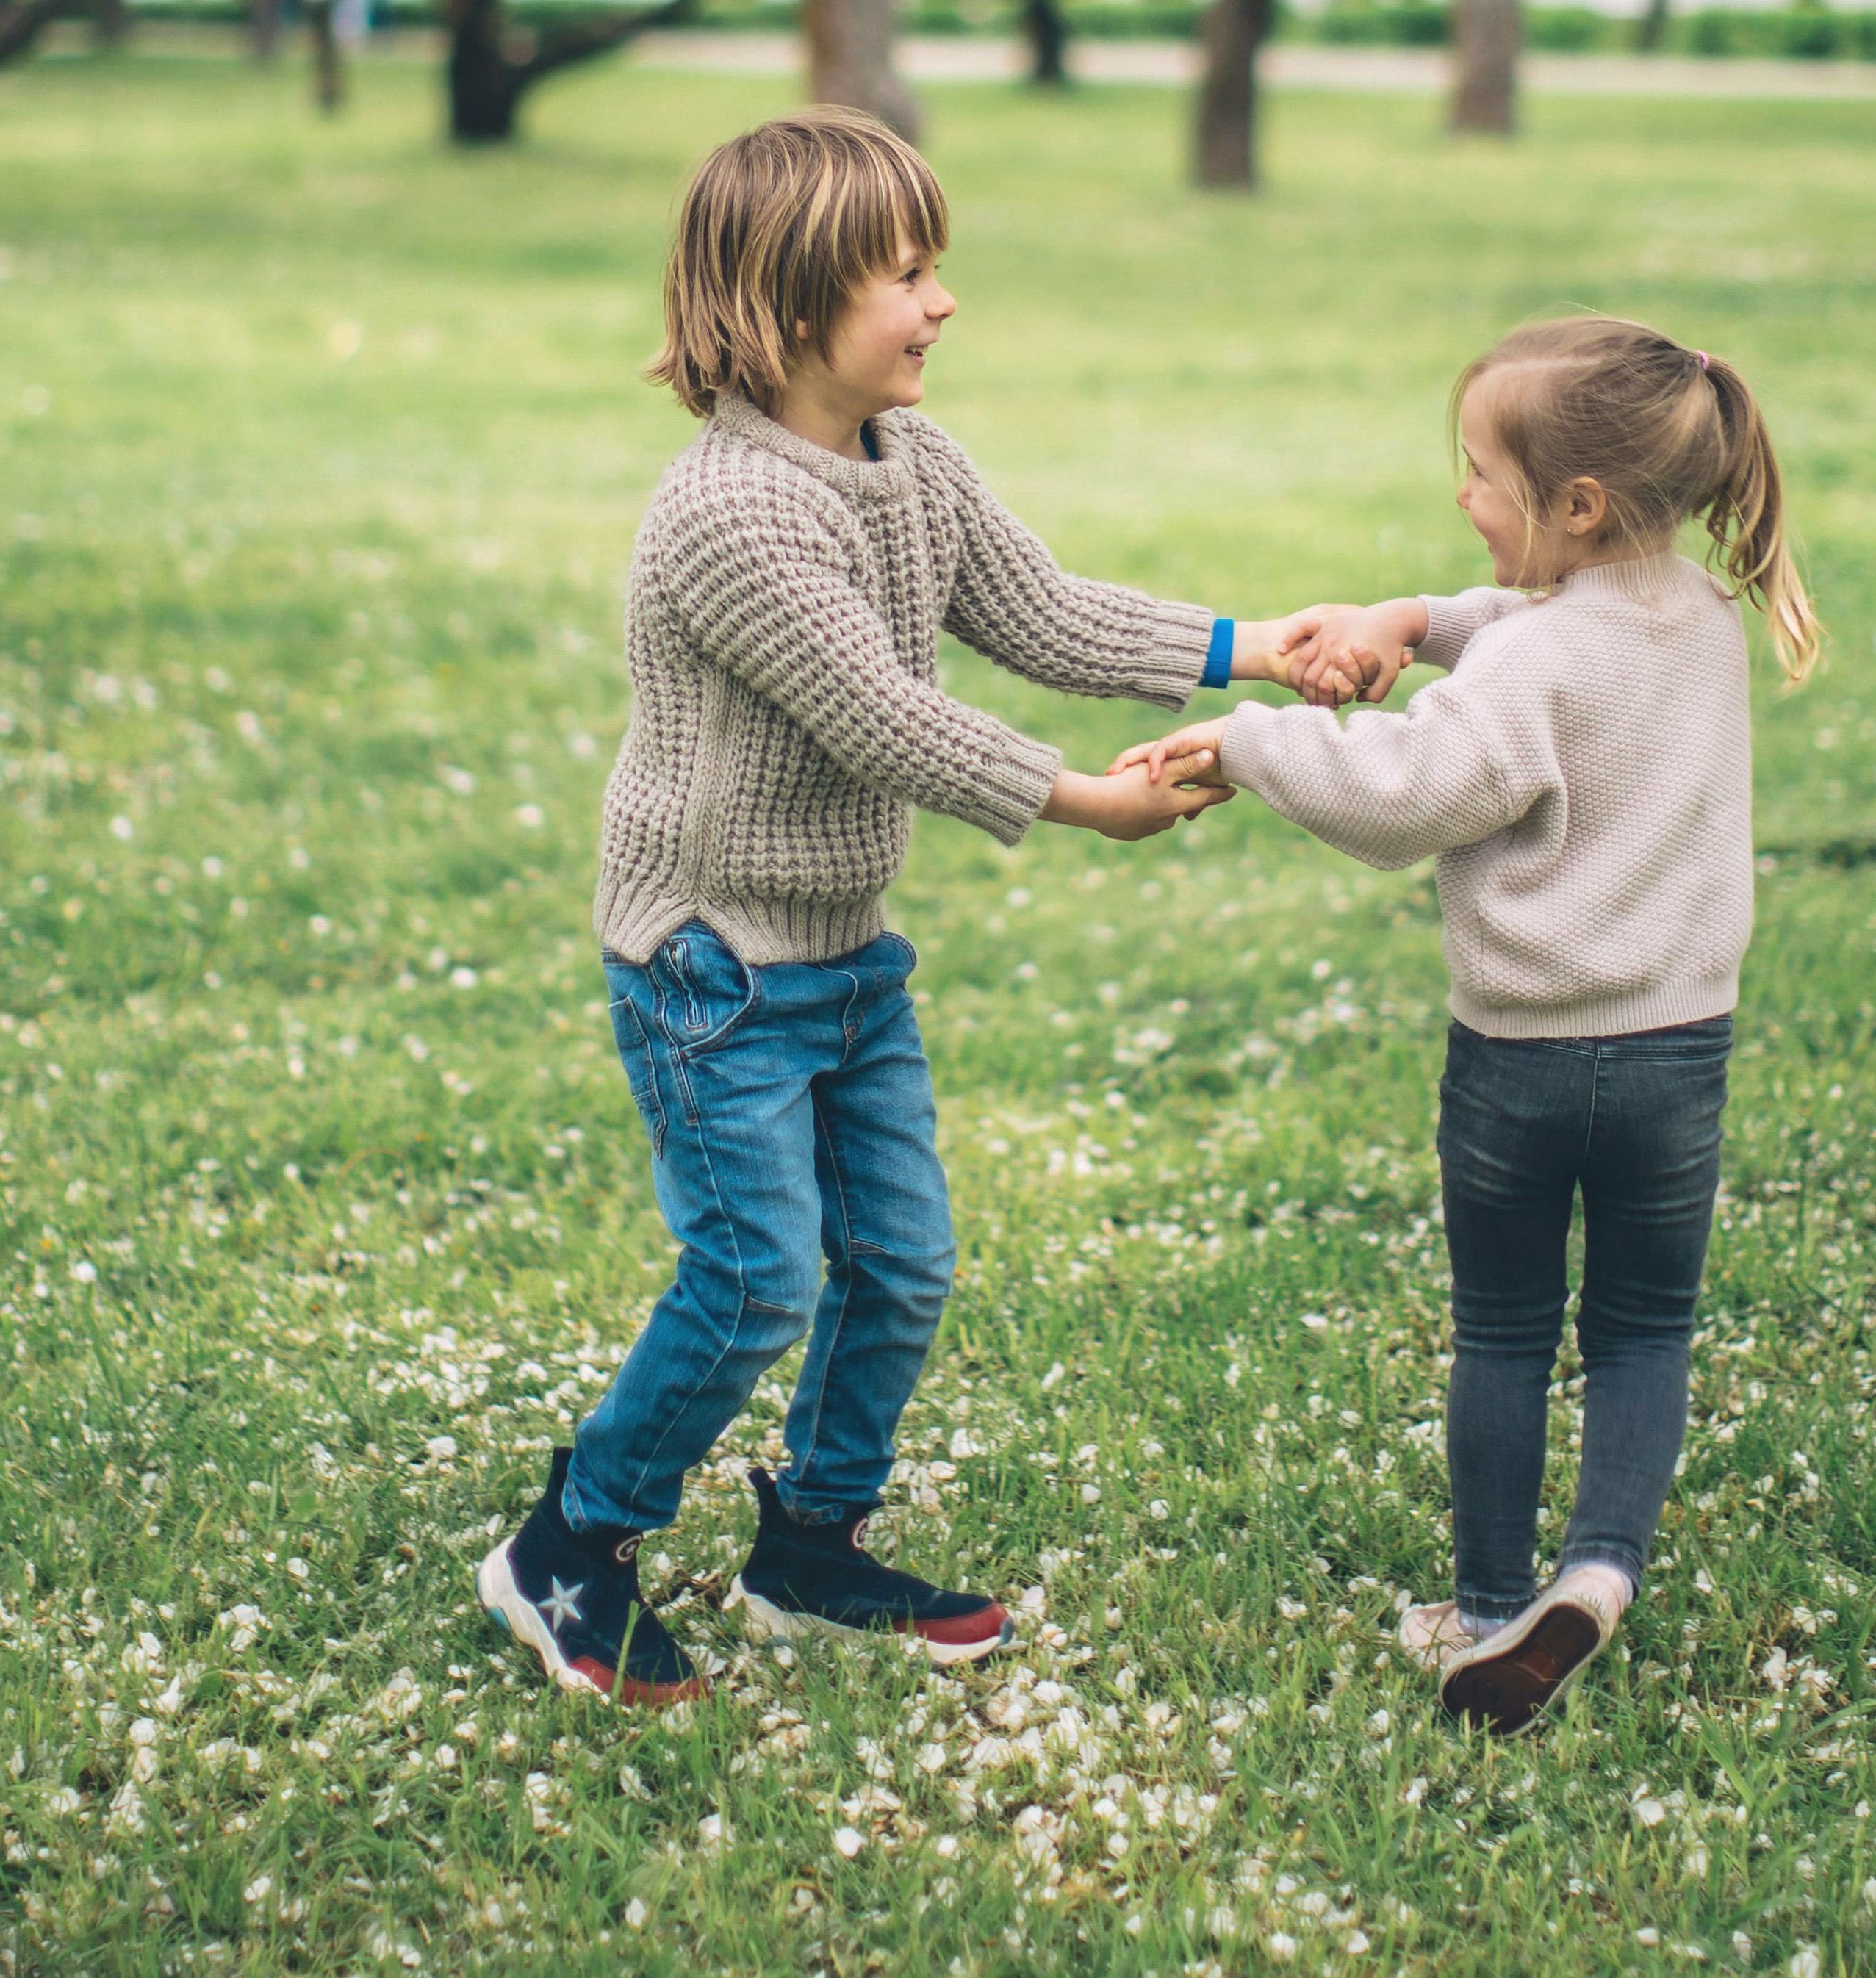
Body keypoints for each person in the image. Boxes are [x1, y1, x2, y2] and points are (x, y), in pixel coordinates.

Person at [478, 107, 1339, 1703]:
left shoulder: (911, 460)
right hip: (711, 964)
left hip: (846, 954)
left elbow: (1043, 611)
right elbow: (883, 717)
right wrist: (1085, 801)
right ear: (791, 303)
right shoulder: (728, 513)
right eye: (906, 274)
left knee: (902, 1262)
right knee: (757, 1278)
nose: (943, 302)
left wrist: (1251, 645)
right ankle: (569, 1544)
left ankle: (811, 1545)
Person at [1121, 314, 1820, 1733]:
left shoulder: (1527, 672)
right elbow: (1549, 627)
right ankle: (1600, 1573)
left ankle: (1491, 1603)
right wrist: (1410, 618)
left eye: (1483, 476)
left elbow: (1410, 795)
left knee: (1502, 1331)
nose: (1463, 495)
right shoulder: (1701, 617)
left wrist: (1252, 743)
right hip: (1679, 1053)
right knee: (1645, 1329)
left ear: (1578, 507)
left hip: (1520, 1064)